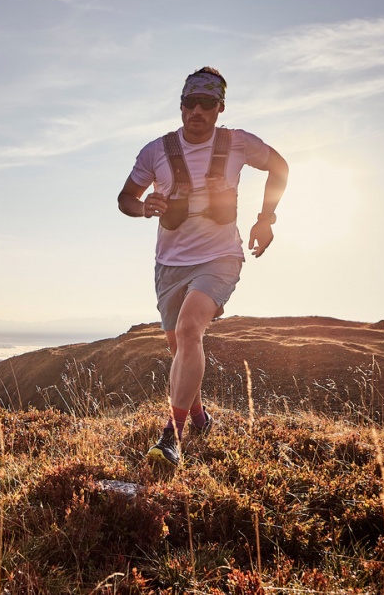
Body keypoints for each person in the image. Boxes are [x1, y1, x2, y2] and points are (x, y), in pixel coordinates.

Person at [117, 66, 289, 467]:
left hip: (220, 258)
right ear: (181, 106)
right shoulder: (155, 151)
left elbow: (280, 167)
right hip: (169, 264)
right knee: (179, 347)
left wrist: (266, 218)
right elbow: (125, 197)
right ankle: (199, 418)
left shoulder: (238, 144)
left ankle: (171, 438)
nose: (197, 110)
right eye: (190, 102)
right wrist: (143, 207)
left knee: (191, 329)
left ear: (219, 107)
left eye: (206, 103)